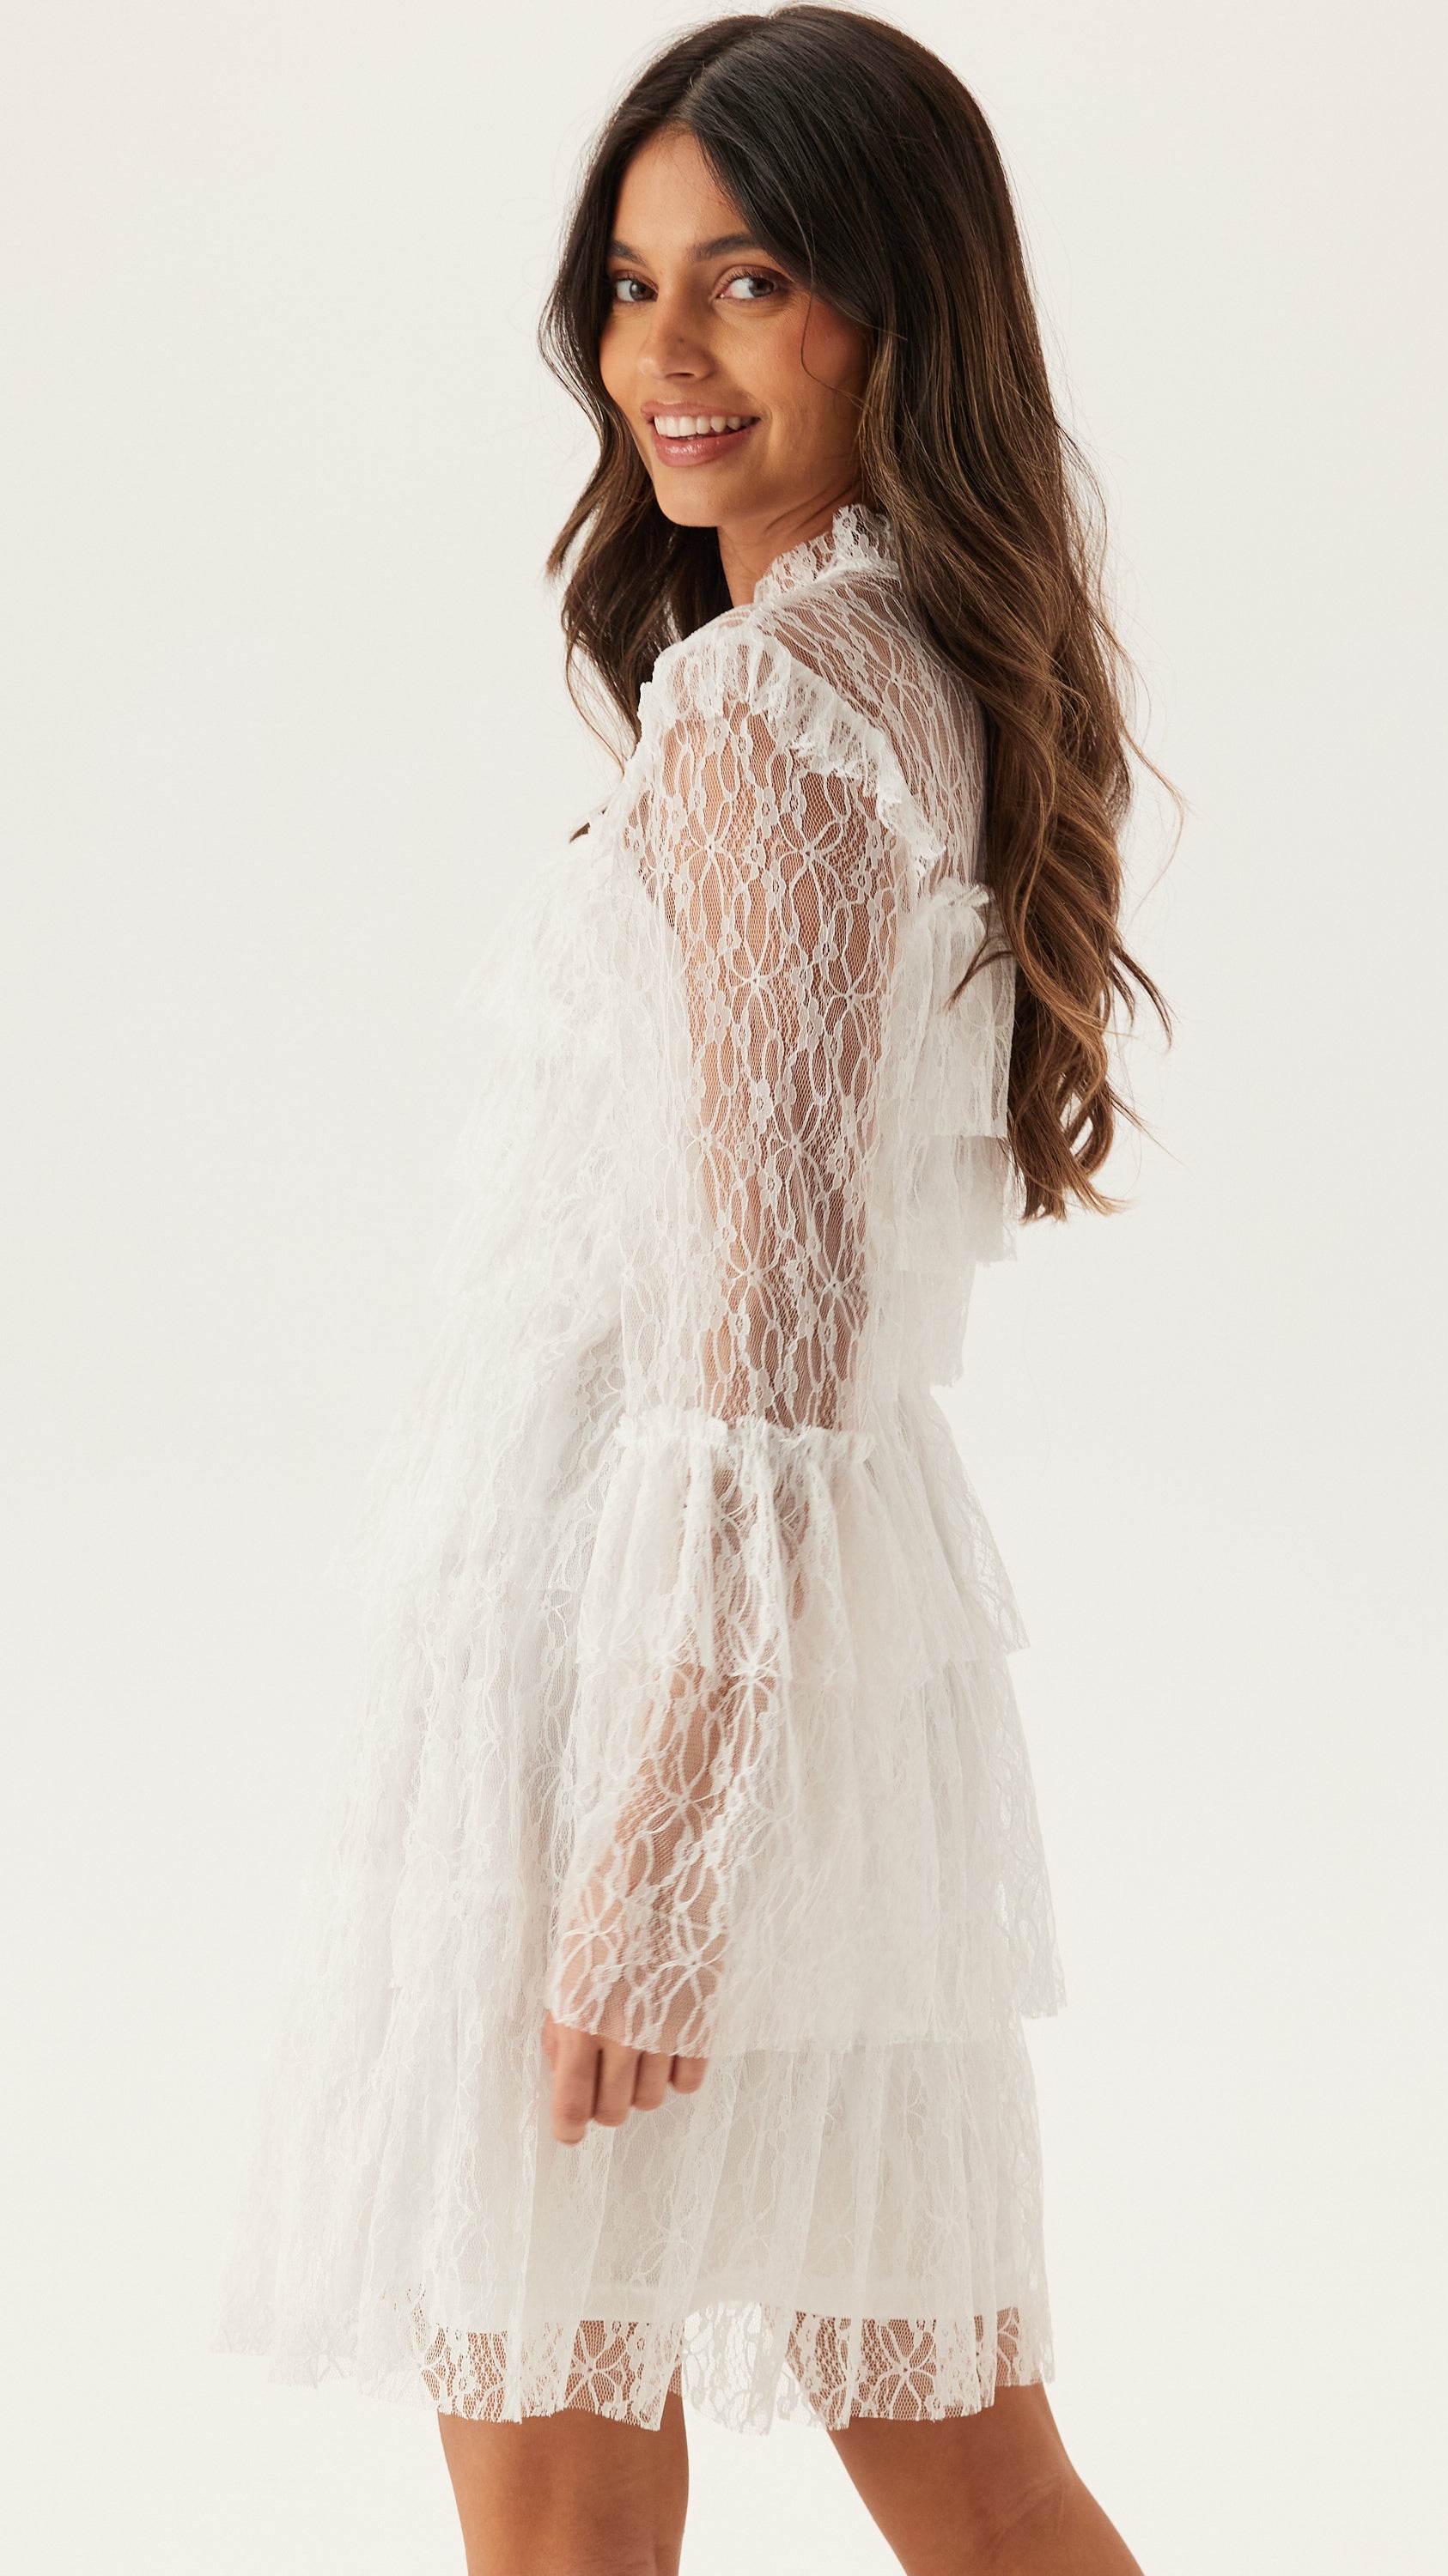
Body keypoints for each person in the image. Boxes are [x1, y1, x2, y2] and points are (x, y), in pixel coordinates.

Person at [220, 11, 1168, 2570]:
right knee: (970, 2470)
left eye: (750, 279)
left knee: (560, 2478)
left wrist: (658, 1835)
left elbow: (768, 1322)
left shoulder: (768, 709)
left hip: (631, 1660)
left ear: (895, 308)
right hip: (802, 1656)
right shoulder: (914, 672)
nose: (669, 348)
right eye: (635, 285)